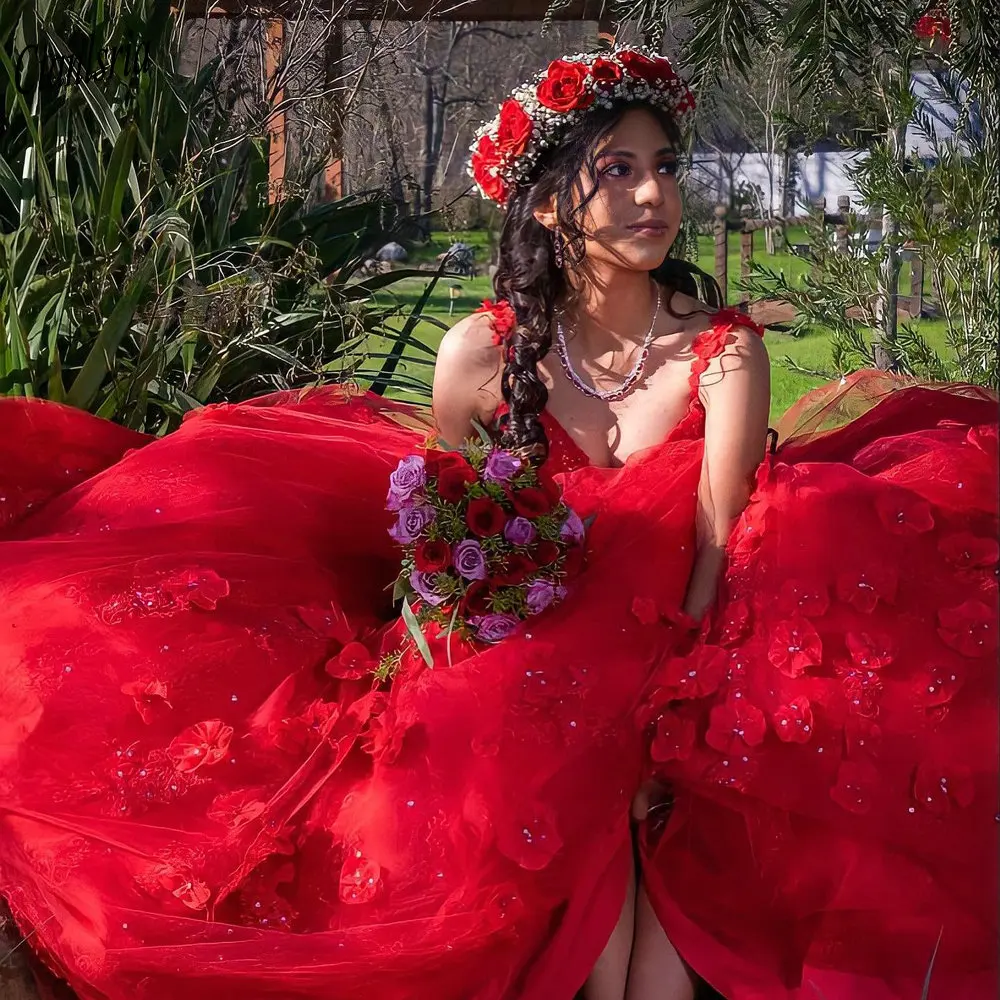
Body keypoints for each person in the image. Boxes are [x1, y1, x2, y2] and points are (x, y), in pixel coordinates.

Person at [0, 47, 995, 1000]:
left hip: (681, 635)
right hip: (538, 630)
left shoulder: (722, 353)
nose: (654, 196)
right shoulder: (481, 350)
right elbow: (450, 524)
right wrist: (475, 622)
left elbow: (714, 542)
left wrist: (673, 706)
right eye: (618, 171)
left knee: (634, 817)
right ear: (553, 200)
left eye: (664, 168)